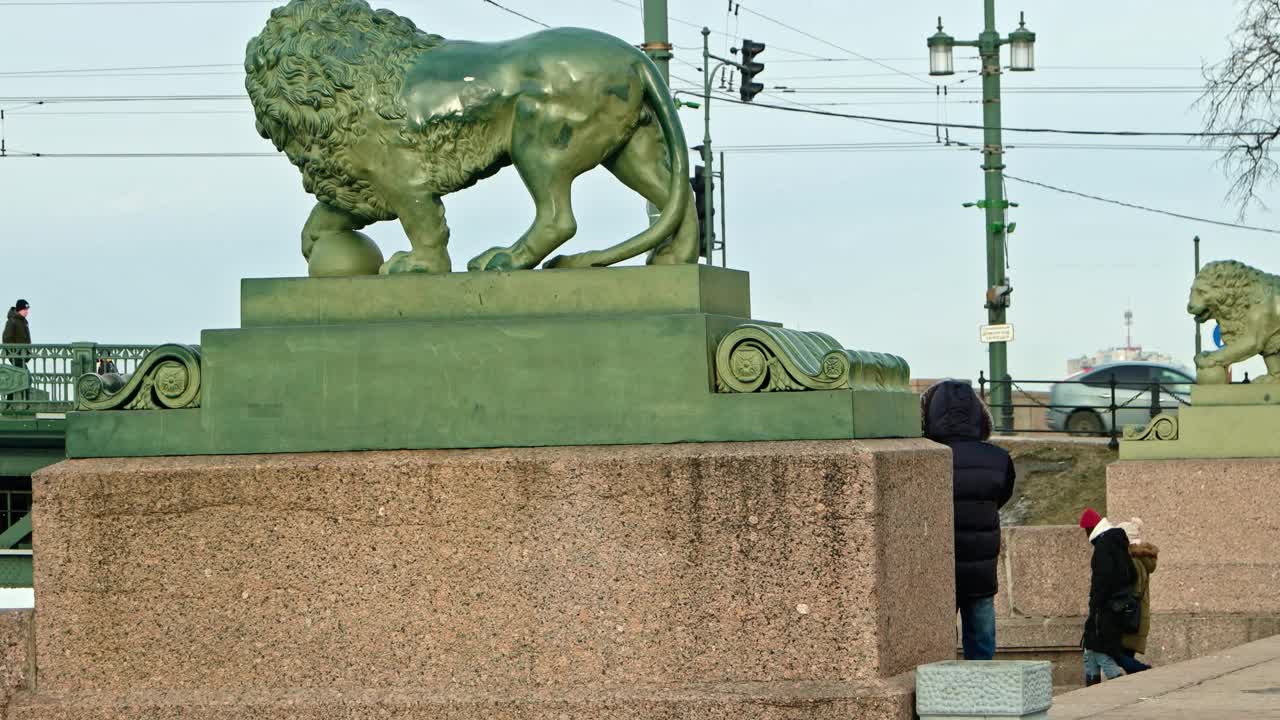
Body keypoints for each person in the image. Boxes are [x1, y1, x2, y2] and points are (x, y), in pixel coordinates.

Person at [922, 380, 1016, 661]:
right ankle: (984, 696)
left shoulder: (924, 458)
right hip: (981, 566)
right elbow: (1002, 495)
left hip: (936, 565)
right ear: (978, 414)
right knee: (981, 643)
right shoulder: (998, 458)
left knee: (935, 646)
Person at [1079, 507, 1136, 685]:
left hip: (1105, 608)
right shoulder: (1117, 542)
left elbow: (1101, 580)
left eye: (1086, 530)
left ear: (1091, 528)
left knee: (1099, 650)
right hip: (1118, 605)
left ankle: (1120, 680)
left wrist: (1095, 603)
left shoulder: (1103, 546)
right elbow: (1131, 574)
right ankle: (1092, 686)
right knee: (1090, 649)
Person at [1117, 518, 1158, 675]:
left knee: (1117, 654)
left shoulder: (1133, 561)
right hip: (1138, 617)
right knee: (1125, 656)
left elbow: (1135, 590)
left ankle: (1145, 671)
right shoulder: (1142, 560)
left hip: (1131, 616)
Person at [3, 299, 31, 367]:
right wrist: (14, 354)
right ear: (19, 310)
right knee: (25, 375)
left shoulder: (24, 322)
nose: (27, 312)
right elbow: (7, 339)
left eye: (27, 310)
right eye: (25, 310)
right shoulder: (12, 321)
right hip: (16, 356)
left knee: (24, 375)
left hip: (23, 356)